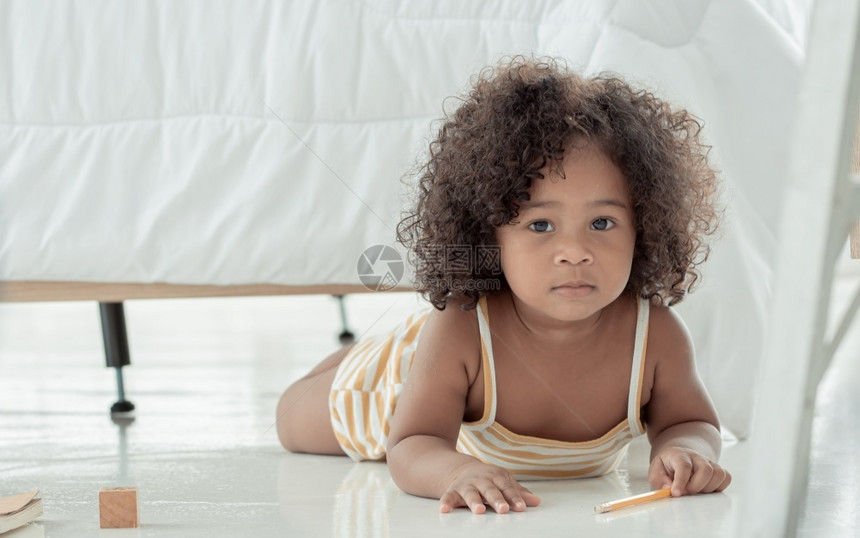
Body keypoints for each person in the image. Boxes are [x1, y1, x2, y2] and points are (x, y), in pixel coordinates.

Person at [276, 56, 730, 514]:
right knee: (291, 421)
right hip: (397, 380)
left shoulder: (657, 335)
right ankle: (359, 358)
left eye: (601, 221)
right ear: (488, 235)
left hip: (438, 362)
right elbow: (412, 442)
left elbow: (691, 421)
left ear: (644, 228)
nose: (574, 251)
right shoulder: (462, 327)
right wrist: (454, 471)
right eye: (540, 226)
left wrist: (689, 451)